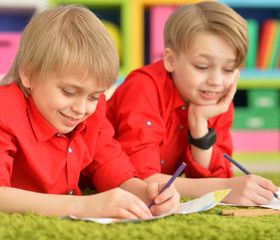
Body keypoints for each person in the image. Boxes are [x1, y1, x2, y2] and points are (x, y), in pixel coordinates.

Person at [0, 4, 180, 220]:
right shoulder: (5, 112)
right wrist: (81, 206)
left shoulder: (91, 114)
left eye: (94, 96)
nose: (81, 109)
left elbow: (112, 166)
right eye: (69, 92)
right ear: (28, 74)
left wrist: (148, 193)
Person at [106, 1, 279, 206]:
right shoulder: (143, 87)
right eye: (202, 66)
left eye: (229, 69)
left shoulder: (215, 100)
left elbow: (216, 176)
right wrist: (225, 189)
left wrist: (199, 127)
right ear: (170, 60)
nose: (216, 81)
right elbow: (138, 181)